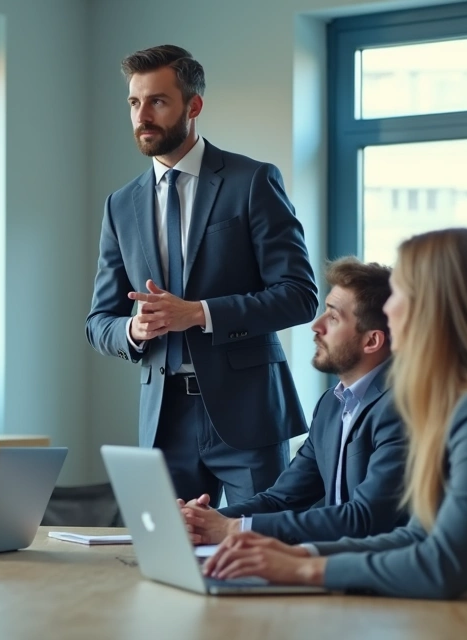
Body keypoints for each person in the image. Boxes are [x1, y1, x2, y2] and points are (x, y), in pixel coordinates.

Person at [204, 229, 467, 640]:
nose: (390, 311)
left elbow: (441, 564)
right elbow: (418, 535)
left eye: (398, 293)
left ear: (433, 309)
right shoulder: (463, 400)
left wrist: (304, 567)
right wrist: (298, 552)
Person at [85, 44, 318, 505]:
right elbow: (98, 323)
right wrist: (132, 329)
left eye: (157, 101)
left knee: (260, 551)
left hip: (247, 413)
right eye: (135, 102)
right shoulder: (120, 205)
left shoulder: (252, 181)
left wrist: (199, 313)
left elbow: (299, 295)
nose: (142, 115)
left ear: (193, 106)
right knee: (170, 561)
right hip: (164, 418)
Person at [178, 258, 407, 545]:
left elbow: (364, 518)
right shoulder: (331, 404)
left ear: (372, 341)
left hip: (377, 574)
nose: (316, 325)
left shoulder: (402, 409)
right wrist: (200, 520)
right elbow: (281, 499)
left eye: (333, 318)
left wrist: (231, 529)